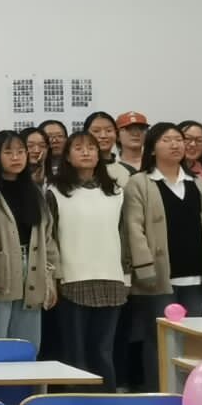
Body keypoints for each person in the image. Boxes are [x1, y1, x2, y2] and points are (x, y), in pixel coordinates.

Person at [124, 122, 202, 379]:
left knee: (190, 337)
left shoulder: (198, 182)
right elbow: (133, 228)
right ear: (152, 148)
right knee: (158, 336)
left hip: (196, 274)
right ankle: (157, 389)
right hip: (159, 276)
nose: (176, 145)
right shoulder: (140, 183)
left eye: (178, 140)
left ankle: (186, 388)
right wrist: (143, 266)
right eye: (167, 140)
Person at [49, 131, 129, 384]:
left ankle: (107, 401)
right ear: (67, 157)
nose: (86, 152)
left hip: (111, 278)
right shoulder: (56, 191)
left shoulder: (116, 192)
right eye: (79, 148)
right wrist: (54, 277)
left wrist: (127, 274)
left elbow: (123, 235)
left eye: (91, 148)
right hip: (72, 280)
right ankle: (77, 402)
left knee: (103, 351)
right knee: (76, 353)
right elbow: (50, 237)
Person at [0, 130, 56, 350]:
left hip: (32, 269)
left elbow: (47, 238)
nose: (16, 157)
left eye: (21, 152)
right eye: (8, 152)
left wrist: (51, 278)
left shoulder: (34, 191)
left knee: (27, 344)